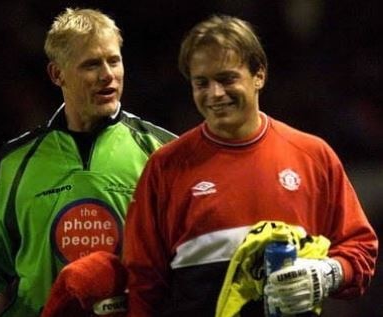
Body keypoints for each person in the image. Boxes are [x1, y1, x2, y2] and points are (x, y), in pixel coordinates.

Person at [0, 7, 176, 317]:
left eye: (114, 61)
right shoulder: (15, 163)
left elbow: (192, 255)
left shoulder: (162, 151)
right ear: (57, 73)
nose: (108, 75)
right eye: (91, 65)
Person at [123, 14, 378, 317]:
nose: (215, 93)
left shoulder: (313, 156)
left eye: (227, 78)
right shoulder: (165, 167)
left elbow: (360, 249)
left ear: (259, 75)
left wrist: (328, 273)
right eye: (201, 83)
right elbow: (142, 282)